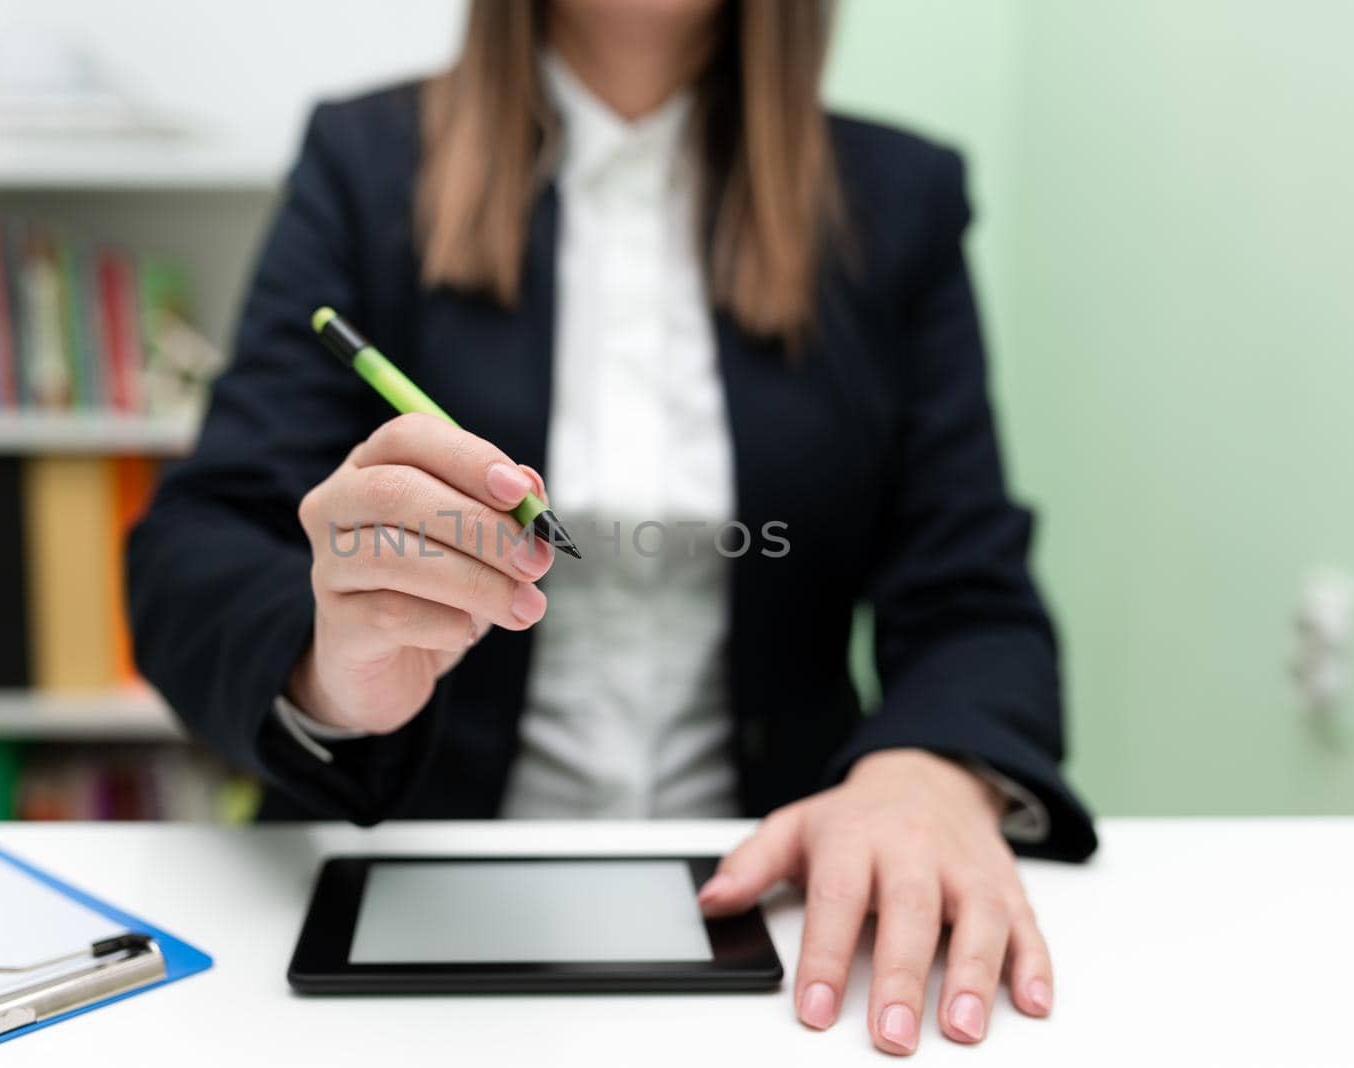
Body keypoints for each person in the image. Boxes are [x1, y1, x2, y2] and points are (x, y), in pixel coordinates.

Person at [128, 0, 1096, 1054]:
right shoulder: (365, 165)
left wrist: (926, 768)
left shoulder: (897, 200)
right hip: (419, 905)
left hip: (773, 920)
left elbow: (975, 598)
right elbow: (193, 556)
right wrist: (328, 667)